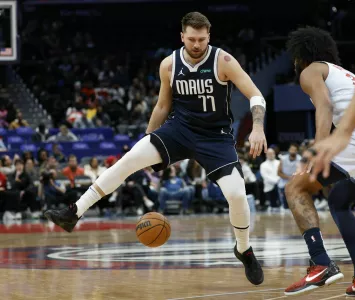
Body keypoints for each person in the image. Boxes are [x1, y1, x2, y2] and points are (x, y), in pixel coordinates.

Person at [44, 12, 267, 285]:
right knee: (129, 159)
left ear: (209, 36)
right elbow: (163, 105)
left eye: (202, 39)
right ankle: (73, 212)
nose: (197, 44)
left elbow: (255, 93)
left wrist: (257, 127)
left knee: (236, 194)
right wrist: (149, 141)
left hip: (215, 136)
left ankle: (243, 249)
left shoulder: (224, 61)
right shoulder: (169, 65)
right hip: (179, 130)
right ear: (182, 36)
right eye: (191, 39)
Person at [283, 26, 355, 297]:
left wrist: (319, 148)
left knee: (296, 188)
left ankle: (320, 263)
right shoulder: (344, 73)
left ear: (301, 54)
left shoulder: (310, 70)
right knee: (339, 201)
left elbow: (325, 105)